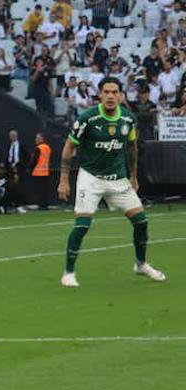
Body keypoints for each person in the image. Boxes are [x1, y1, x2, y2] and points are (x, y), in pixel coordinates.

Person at [58, 77, 167, 287]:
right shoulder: (87, 119)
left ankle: (141, 264)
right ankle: (68, 272)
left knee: (142, 222)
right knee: (82, 225)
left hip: (118, 179)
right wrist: (64, 180)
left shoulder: (128, 119)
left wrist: (133, 176)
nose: (110, 96)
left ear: (120, 95)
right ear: (99, 95)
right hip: (91, 178)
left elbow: (132, 148)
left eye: (114, 92)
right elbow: (69, 148)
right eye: (106, 92)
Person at [29, 133, 53, 209]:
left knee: (39, 191)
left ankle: (41, 205)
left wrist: (30, 169)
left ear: (42, 139)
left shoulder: (38, 148)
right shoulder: (47, 148)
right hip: (46, 172)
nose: (36, 139)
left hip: (38, 172)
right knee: (45, 190)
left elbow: (34, 160)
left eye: (38, 138)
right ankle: (45, 205)